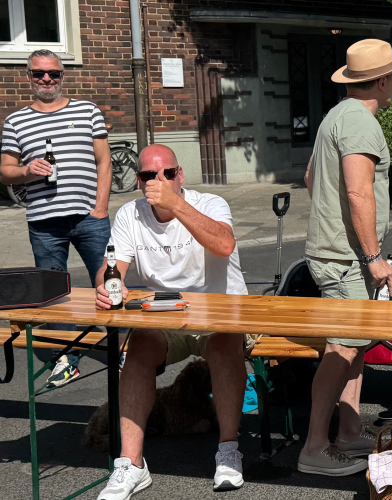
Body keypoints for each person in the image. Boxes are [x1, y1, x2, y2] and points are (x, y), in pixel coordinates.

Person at [94, 144, 247, 499]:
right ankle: (131, 464)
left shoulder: (210, 203)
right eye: (150, 175)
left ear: (181, 175)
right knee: (139, 347)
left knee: (224, 344)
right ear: (138, 181)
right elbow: (112, 268)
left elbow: (224, 245)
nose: (159, 180)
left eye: (167, 173)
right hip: (166, 314)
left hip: (220, 311)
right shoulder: (130, 214)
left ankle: (228, 449)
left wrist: (176, 205)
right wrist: (105, 284)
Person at [299, 39, 392, 476]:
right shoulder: (361, 122)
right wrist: (373, 255)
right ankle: (314, 447)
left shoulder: (337, 115)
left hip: (340, 252)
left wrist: (332, 219)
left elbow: (311, 177)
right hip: (346, 258)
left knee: (355, 346)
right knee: (342, 348)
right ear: (382, 81)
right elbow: (359, 192)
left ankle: (347, 432)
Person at [0, 49, 112, 387]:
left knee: (109, 283)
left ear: (63, 75)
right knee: (54, 293)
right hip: (45, 222)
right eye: (39, 73)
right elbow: (5, 171)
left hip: (90, 217)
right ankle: (67, 357)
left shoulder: (87, 110)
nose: (46, 79)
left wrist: (101, 207)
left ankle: (121, 347)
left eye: (53, 73)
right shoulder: (16, 121)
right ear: (29, 77)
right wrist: (26, 170)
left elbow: (104, 161)